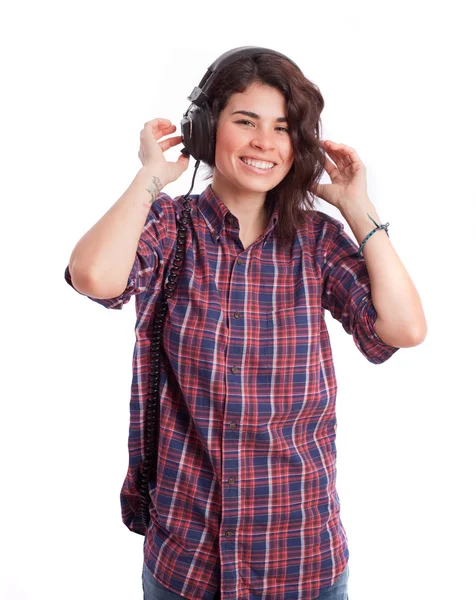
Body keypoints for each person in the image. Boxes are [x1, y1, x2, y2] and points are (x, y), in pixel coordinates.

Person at [65, 48, 427, 600]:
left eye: (282, 128)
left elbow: (403, 329)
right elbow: (93, 275)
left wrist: (358, 209)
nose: (265, 142)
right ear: (208, 130)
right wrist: (150, 178)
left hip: (301, 557)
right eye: (246, 121)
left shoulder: (317, 242)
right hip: (188, 561)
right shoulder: (169, 228)